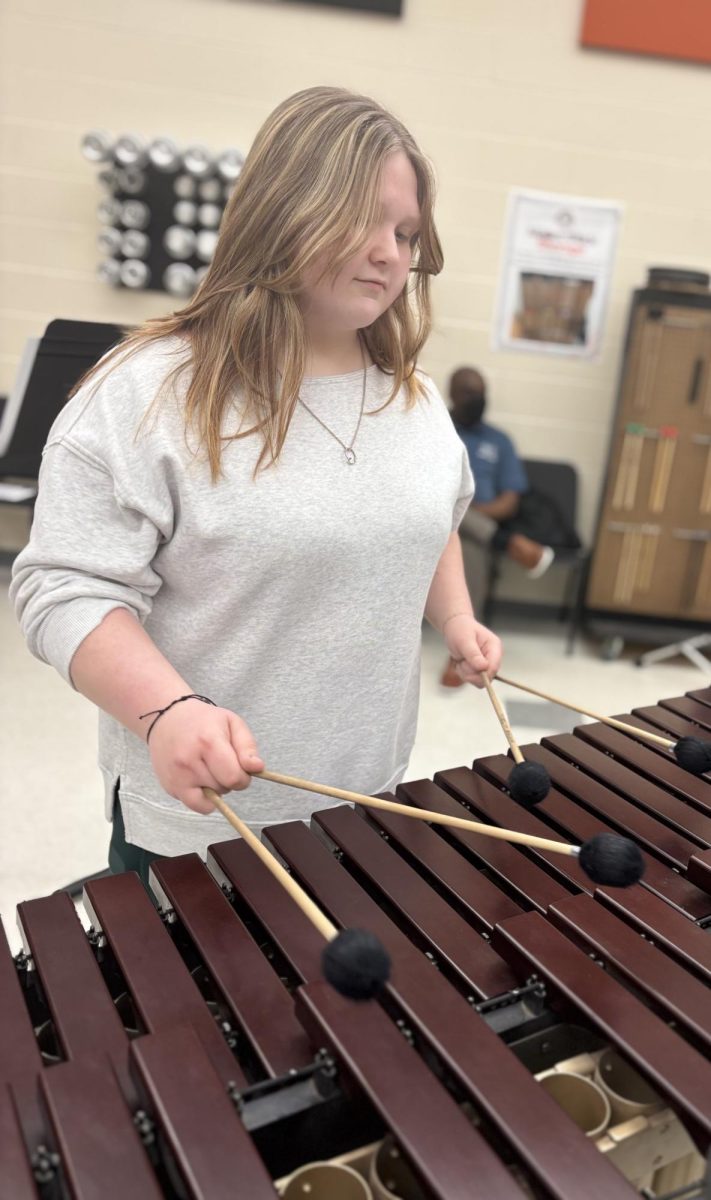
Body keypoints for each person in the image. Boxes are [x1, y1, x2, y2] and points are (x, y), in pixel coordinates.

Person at [11, 86, 503, 886]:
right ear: (285, 209)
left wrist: (454, 619)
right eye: (364, 220)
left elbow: (430, 515)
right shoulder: (148, 393)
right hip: (204, 824)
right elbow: (65, 586)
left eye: (407, 233)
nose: (391, 253)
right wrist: (166, 712)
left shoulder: (411, 396)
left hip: (367, 803)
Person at [441, 366, 553, 688]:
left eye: (479, 393)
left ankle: (460, 653)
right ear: (451, 393)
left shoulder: (499, 441)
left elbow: (510, 500)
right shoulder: (435, 429)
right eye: (467, 392)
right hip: (433, 517)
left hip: (472, 524)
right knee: (455, 523)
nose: (475, 399)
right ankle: (507, 543)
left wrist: (467, 508)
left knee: (469, 543)